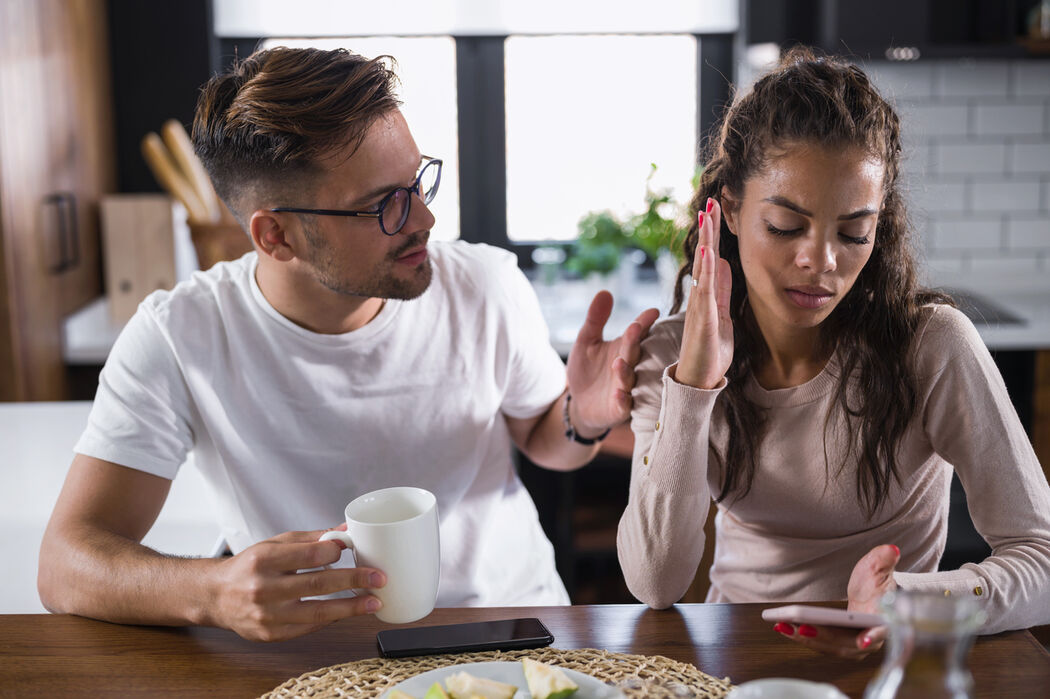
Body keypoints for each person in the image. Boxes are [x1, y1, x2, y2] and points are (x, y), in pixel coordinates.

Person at [38, 46, 658, 642]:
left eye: (417, 183)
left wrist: (584, 415)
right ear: (277, 235)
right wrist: (213, 590)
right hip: (317, 652)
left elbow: (545, 437)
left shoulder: (485, 285)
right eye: (383, 205)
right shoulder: (180, 335)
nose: (423, 219)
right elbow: (66, 564)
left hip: (508, 624)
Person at [616, 47, 1050, 657]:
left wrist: (916, 603)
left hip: (892, 662)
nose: (820, 262)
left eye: (853, 234)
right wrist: (693, 388)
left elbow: (1043, 556)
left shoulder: (932, 347)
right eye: (787, 226)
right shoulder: (671, 353)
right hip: (733, 660)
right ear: (733, 210)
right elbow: (655, 582)